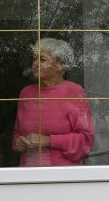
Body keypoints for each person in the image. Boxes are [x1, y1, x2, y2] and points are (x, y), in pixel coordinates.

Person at [12, 38, 95, 166]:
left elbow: (85, 140)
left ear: (60, 65)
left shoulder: (74, 92)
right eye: (34, 58)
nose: (35, 63)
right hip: (28, 177)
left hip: (63, 178)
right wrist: (18, 143)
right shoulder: (26, 93)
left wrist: (48, 141)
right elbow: (17, 133)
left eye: (42, 59)